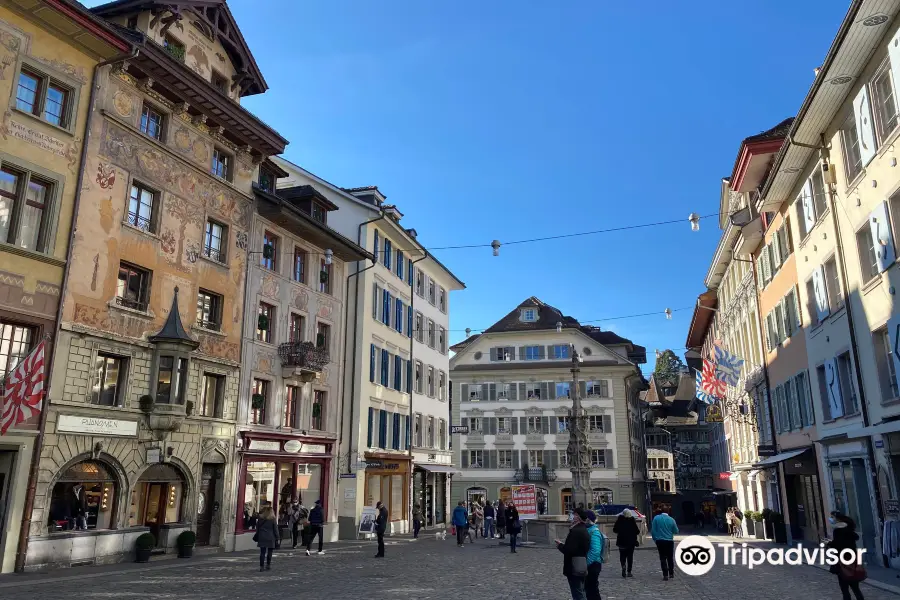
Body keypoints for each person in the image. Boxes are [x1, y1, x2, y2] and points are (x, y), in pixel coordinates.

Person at [828, 512, 865, 600]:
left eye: (832, 517)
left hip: (842, 560)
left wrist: (829, 544)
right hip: (852, 558)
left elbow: (838, 544)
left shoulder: (838, 531)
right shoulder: (850, 530)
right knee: (855, 587)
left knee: (844, 588)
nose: (831, 519)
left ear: (838, 519)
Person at [556, 508, 592, 600]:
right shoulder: (583, 529)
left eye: (574, 514)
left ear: (578, 517)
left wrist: (560, 545)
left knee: (577, 593)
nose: (572, 516)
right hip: (581, 563)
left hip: (574, 565)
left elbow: (569, 550)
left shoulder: (576, 531)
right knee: (580, 590)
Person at [650, 508, 679, 581]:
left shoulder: (656, 518)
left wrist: (655, 539)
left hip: (660, 541)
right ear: (668, 512)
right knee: (670, 557)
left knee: (662, 557)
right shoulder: (672, 519)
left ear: (661, 511)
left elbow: (653, 530)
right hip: (669, 541)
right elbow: (676, 531)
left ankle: (665, 574)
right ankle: (671, 573)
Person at [614, 508, 640, 578]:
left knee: (622, 556)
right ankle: (629, 571)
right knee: (630, 557)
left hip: (621, 542)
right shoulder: (632, 520)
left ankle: (623, 566)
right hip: (631, 542)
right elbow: (637, 531)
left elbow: (615, 530)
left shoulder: (619, 520)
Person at [585, 511, 605, 600]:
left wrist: (586, 563)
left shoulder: (594, 532)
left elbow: (595, 550)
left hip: (593, 564)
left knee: (592, 590)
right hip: (591, 563)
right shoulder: (588, 529)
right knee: (588, 589)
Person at [255, 506, 278, 571]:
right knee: (269, 552)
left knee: (262, 552)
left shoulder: (260, 519)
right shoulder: (273, 519)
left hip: (262, 537)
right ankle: (268, 565)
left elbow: (257, 528)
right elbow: (275, 530)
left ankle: (261, 566)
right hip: (270, 537)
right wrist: (277, 537)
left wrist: (258, 535)